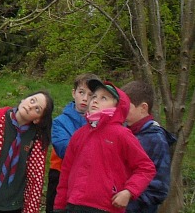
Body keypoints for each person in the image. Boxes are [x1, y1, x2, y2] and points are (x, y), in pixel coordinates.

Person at [54, 80, 156, 213]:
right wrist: (59, 206)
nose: (95, 100)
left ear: (118, 106)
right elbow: (66, 172)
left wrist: (129, 191)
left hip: (106, 207)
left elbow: (146, 168)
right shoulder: (79, 134)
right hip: (74, 204)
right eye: (94, 96)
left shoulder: (122, 134)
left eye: (104, 98)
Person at [45, 73, 99, 213]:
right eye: (81, 92)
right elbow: (65, 150)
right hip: (60, 175)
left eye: (91, 95)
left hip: (91, 179)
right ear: (74, 93)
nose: (85, 98)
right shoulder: (60, 122)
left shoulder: (100, 122)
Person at [121, 81, 176, 213]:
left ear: (143, 107)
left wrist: (128, 203)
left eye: (127, 107)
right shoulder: (124, 132)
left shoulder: (156, 139)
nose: (122, 111)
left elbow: (158, 188)